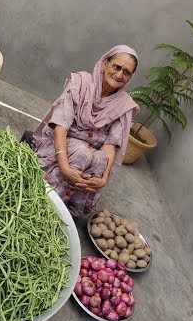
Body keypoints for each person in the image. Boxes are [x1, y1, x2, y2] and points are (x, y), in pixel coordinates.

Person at [32, 45, 140, 217]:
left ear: (130, 77)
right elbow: (60, 126)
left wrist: (103, 179)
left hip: (89, 156)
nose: (119, 75)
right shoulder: (79, 83)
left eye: (126, 72)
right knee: (82, 153)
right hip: (58, 145)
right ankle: (42, 202)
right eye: (116, 67)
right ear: (105, 64)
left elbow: (110, 145)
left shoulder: (124, 105)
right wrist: (65, 168)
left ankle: (65, 209)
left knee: (99, 159)